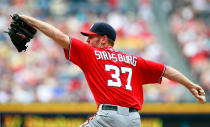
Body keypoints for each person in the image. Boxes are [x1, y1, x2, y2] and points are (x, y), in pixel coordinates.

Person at [18, 15, 206, 127]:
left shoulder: (91, 54)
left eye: (91, 37)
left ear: (103, 40)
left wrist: (32, 21)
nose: (87, 41)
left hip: (108, 118)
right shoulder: (134, 61)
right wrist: (189, 84)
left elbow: (59, 36)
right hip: (134, 121)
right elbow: (166, 70)